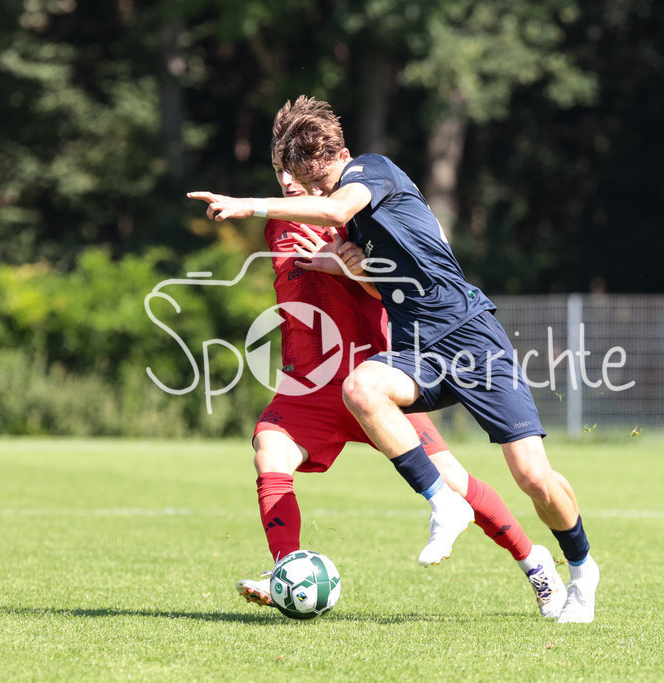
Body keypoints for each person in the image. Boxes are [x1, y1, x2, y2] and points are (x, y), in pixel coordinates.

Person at [188, 96, 600, 624]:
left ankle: (562, 565)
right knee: (308, 426)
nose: (291, 186)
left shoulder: (367, 185)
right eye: (281, 175)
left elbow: (381, 244)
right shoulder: (317, 227)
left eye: (296, 176)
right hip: (381, 364)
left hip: (459, 341)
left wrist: (266, 213)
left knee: (527, 478)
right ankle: (307, 563)